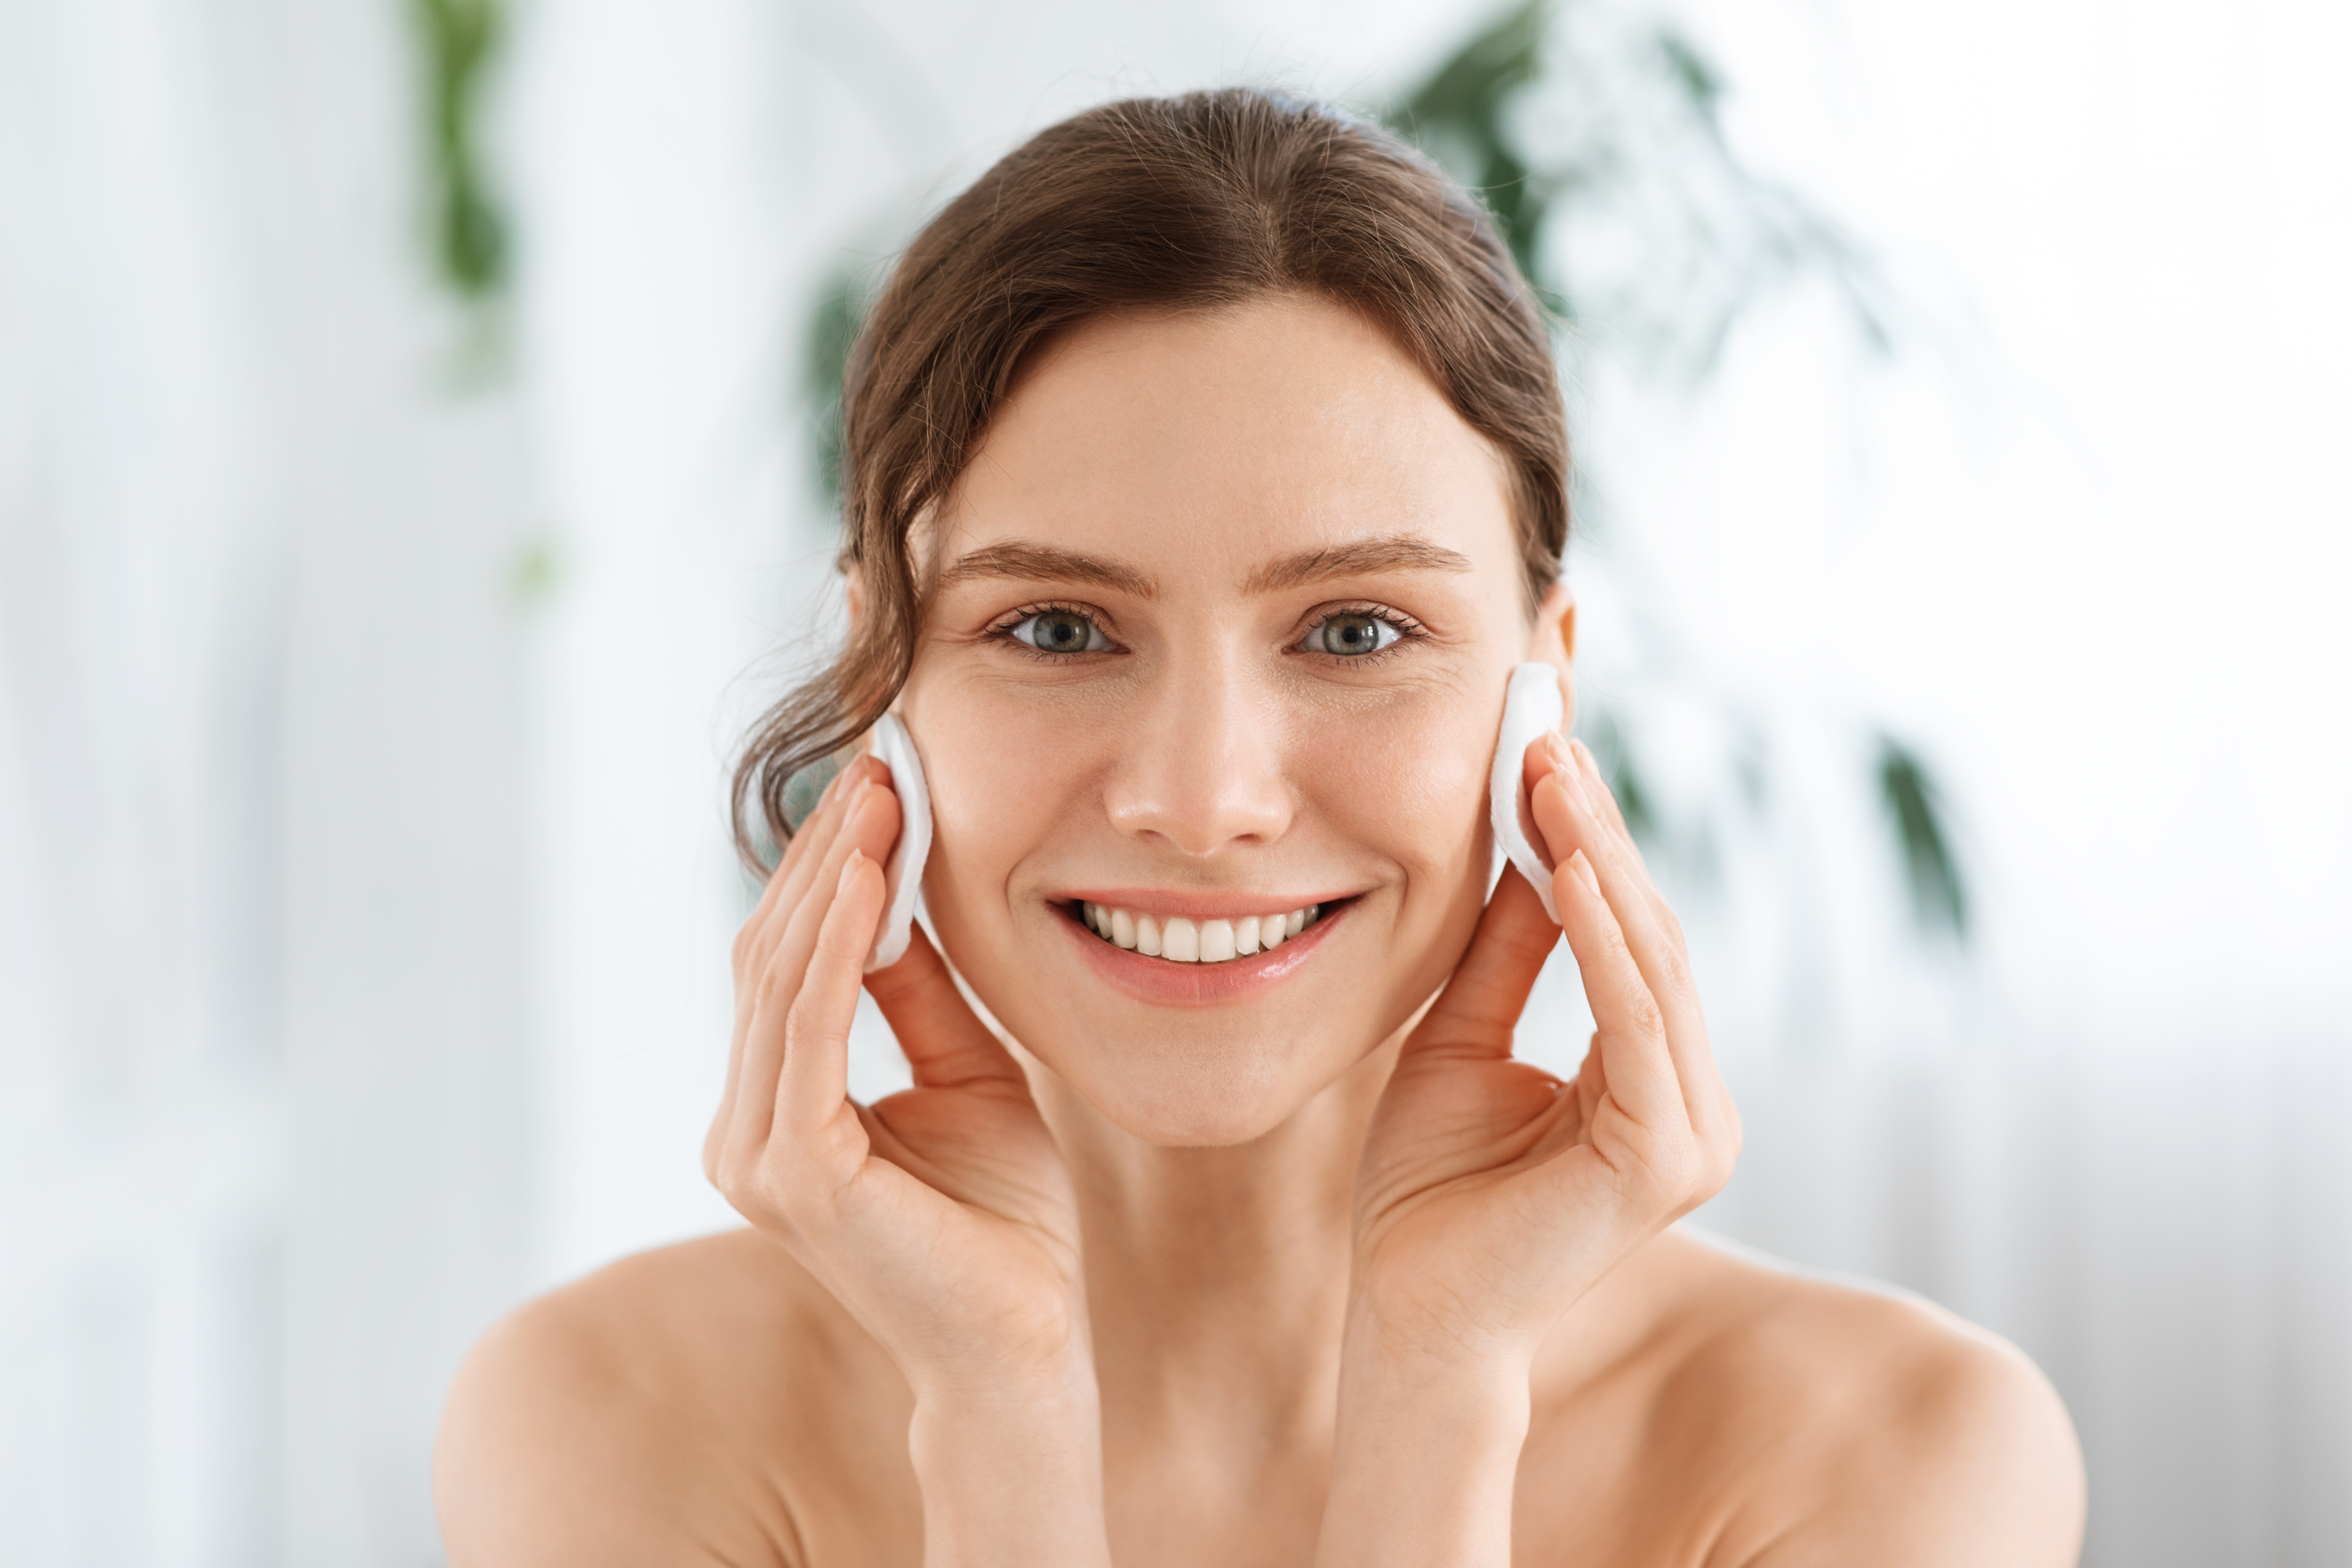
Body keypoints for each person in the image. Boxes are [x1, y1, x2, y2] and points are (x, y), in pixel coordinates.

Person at [434, 89, 2084, 1567]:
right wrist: (1000, 1418)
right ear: (883, 676)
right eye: (1060, 631)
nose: (1206, 799)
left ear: (1542, 692)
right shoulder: (610, 1424)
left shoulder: (1891, 1459)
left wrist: (1439, 1389)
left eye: (1357, 632)